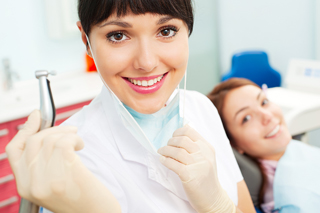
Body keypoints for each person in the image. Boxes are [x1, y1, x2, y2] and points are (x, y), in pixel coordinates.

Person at [6, 1, 256, 212]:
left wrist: (218, 205)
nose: (146, 62)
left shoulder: (202, 108)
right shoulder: (72, 160)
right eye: (118, 36)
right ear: (86, 41)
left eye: (167, 31)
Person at [207, 78, 320, 213]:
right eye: (246, 118)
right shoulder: (292, 201)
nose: (267, 116)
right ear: (233, 144)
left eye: (264, 102)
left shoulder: (290, 149)